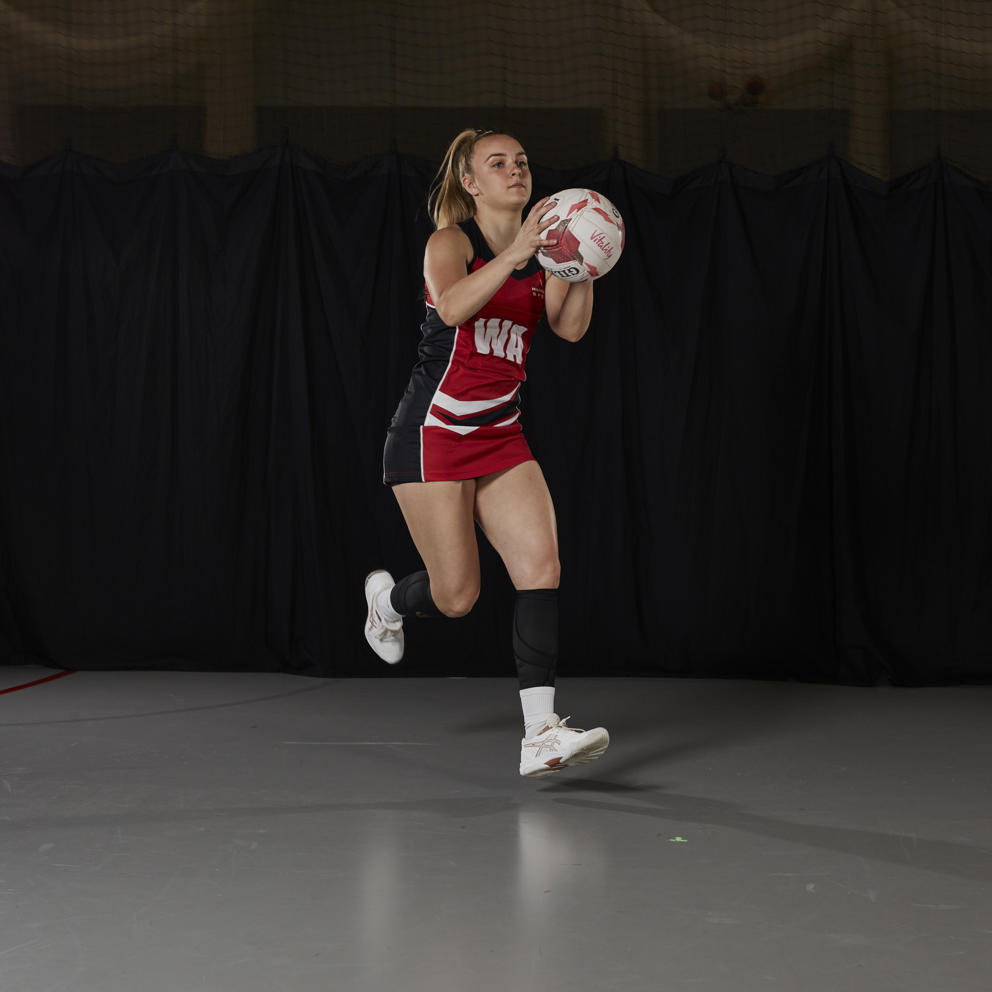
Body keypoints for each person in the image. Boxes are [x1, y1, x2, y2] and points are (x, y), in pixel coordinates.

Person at [364, 128, 609, 777]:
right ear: (471, 183)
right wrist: (518, 252)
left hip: (500, 431)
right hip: (433, 431)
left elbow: (570, 327)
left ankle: (541, 735)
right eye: (497, 163)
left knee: (541, 564)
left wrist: (585, 260)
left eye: (522, 161)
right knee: (457, 597)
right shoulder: (452, 242)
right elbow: (450, 306)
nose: (515, 170)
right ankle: (387, 604)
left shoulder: (545, 252)